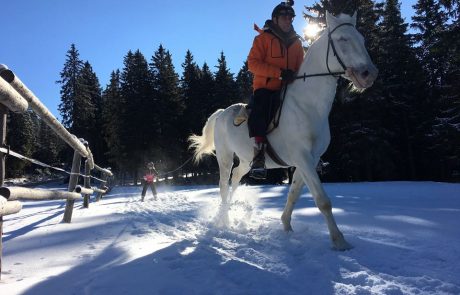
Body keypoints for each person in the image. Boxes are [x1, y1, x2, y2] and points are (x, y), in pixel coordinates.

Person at [247, 0, 304, 179]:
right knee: (260, 110)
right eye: (284, 17)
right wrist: (279, 73)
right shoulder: (262, 38)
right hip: (266, 87)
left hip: (289, 89)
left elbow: (301, 67)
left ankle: (308, 151)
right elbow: (252, 64)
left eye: (291, 17)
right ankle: (258, 156)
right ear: (275, 19)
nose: (288, 20)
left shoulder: (297, 43)